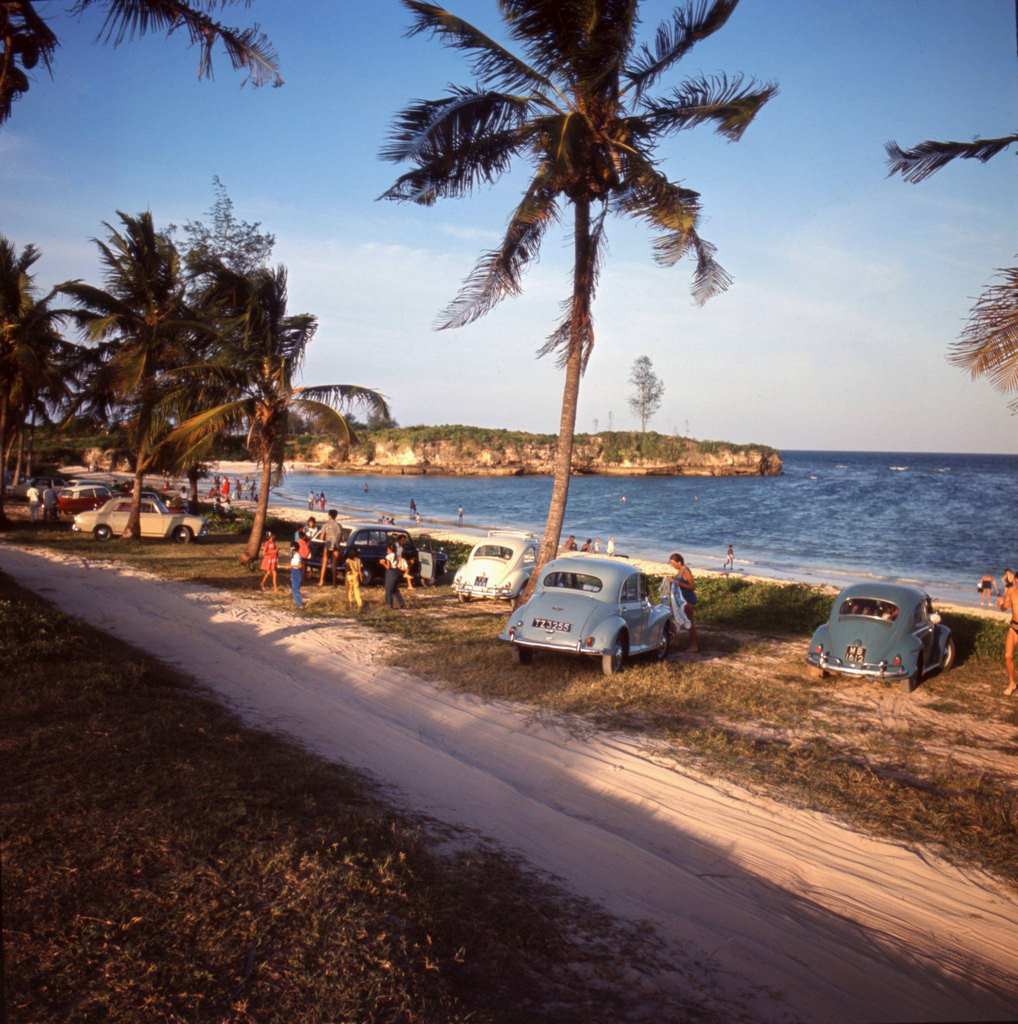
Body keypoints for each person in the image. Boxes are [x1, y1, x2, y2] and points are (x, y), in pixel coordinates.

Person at [668, 552, 700, 654]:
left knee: (690, 623)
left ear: (679, 562)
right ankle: (676, 641)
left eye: (673, 563)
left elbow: (692, 586)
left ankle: (694, 646)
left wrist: (677, 582)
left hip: (687, 600)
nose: (672, 565)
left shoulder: (685, 570)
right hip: (681, 600)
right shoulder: (680, 570)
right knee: (676, 620)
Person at [999, 568, 1017, 696]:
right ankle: (1012, 683)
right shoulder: (1011, 591)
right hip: (1013, 629)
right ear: (1015, 580)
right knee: (1008, 656)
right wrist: (1001, 604)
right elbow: (1005, 608)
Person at [319, 509, 342, 586]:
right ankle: (334, 583)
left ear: (329, 515)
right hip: (336, 545)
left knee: (324, 562)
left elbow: (322, 537)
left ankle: (321, 581)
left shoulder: (326, 525)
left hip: (328, 544)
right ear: (336, 516)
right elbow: (341, 538)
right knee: (334, 564)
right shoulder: (339, 526)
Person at [382, 543, 407, 609]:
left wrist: (383, 563)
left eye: (387, 549)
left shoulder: (388, 556)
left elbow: (388, 567)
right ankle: (402, 603)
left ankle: (389, 605)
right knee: (395, 589)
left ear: (390, 549)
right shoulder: (397, 555)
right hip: (397, 572)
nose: (387, 550)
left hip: (391, 572)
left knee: (389, 589)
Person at [288, 541, 305, 609]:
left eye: (291, 547)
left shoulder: (297, 555)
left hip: (297, 572)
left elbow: (300, 566)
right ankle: (298, 603)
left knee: (296, 589)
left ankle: (300, 604)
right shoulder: (293, 555)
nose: (290, 549)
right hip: (293, 572)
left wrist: (291, 566)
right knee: (294, 588)